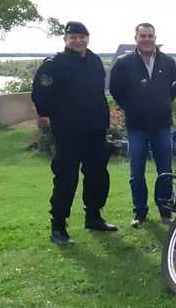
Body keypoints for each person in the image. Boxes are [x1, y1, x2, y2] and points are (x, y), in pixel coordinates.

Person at [32, 21, 117, 246]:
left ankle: (93, 217)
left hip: (95, 129)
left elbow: (99, 94)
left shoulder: (94, 61)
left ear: (88, 38)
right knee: (66, 178)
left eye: (82, 36)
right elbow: (40, 94)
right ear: (66, 39)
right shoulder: (54, 64)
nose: (78, 40)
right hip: (68, 131)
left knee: (97, 175)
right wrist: (49, 117)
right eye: (73, 37)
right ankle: (58, 226)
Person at [109, 23, 176, 228]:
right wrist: (131, 106)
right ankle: (139, 212)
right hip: (136, 126)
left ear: (155, 37)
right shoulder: (124, 63)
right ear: (136, 38)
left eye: (150, 36)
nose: (147, 39)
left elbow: (173, 90)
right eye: (143, 36)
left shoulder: (168, 62)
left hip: (161, 125)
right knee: (136, 172)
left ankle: (165, 210)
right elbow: (115, 89)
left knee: (165, 170)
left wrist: (162, 104)